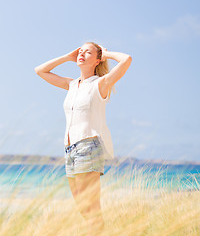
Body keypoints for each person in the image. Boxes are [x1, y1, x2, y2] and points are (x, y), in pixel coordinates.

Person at [34, 42, 132, 234]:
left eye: (88, 52)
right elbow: (40, 71)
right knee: (82, 207)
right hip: (69, 150)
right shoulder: (71, 85)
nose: (82, 54)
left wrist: (107, 53)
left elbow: (127, 59)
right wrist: (66, 57)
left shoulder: (100, 84)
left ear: (97, 60)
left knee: (91, 207)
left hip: (88, 146)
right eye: (80, 51)